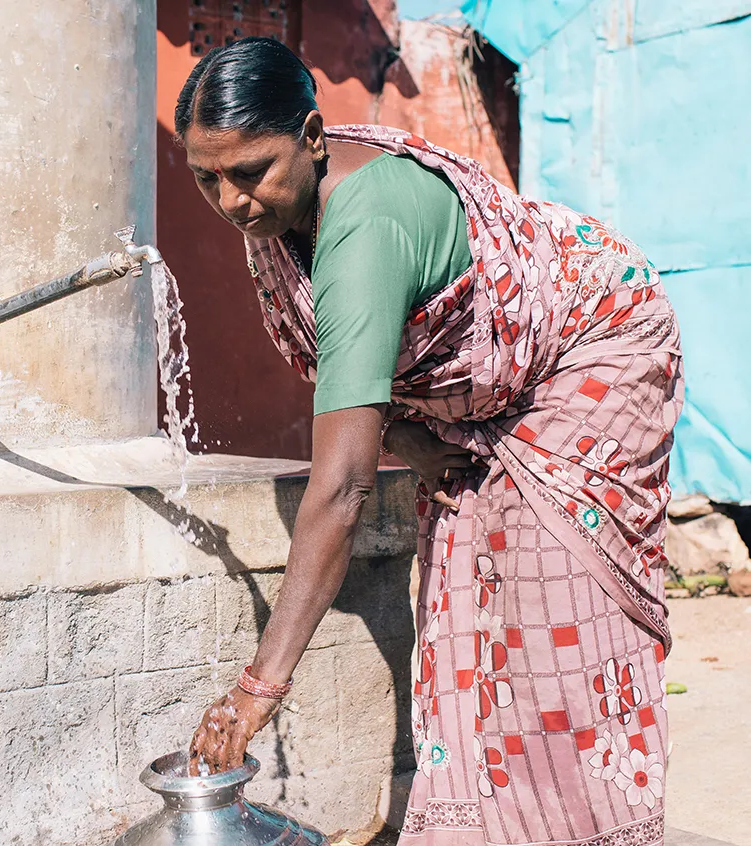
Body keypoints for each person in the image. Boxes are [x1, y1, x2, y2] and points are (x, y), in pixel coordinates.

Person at [179, 37, 682, 846]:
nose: (234, 200)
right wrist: (410, 435)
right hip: (488, 383)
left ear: (313, 137)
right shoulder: (284, 219)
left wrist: (255, 690)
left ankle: (589, 826)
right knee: (466, 585)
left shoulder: (364, 229)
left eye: (251, 171)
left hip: (594, 346)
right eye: (208, 178)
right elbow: (356, 362)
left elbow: (341, 490)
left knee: (554, 590)